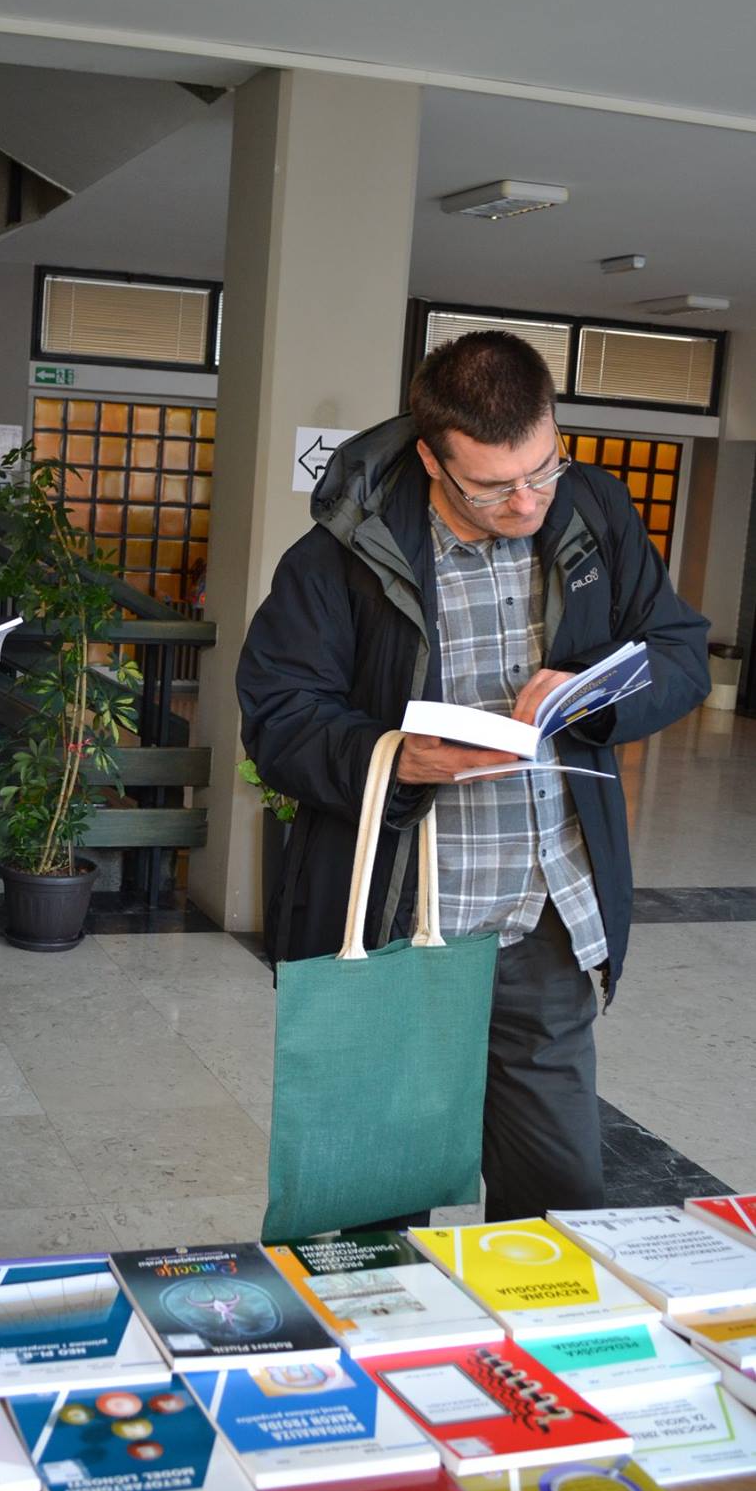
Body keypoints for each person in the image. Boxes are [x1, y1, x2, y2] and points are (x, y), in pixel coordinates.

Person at [237, 329, 709, 1227]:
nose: (526, 500)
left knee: (561, 1212)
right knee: (371, 1211)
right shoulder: (339, 557)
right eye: (492, 486)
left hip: (548, 919)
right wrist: (395, 756)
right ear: (431, 459)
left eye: (541, 469)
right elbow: (277, 720)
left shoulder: (593, 513)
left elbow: (677, 650)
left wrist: (592, 695)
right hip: (400, 926)